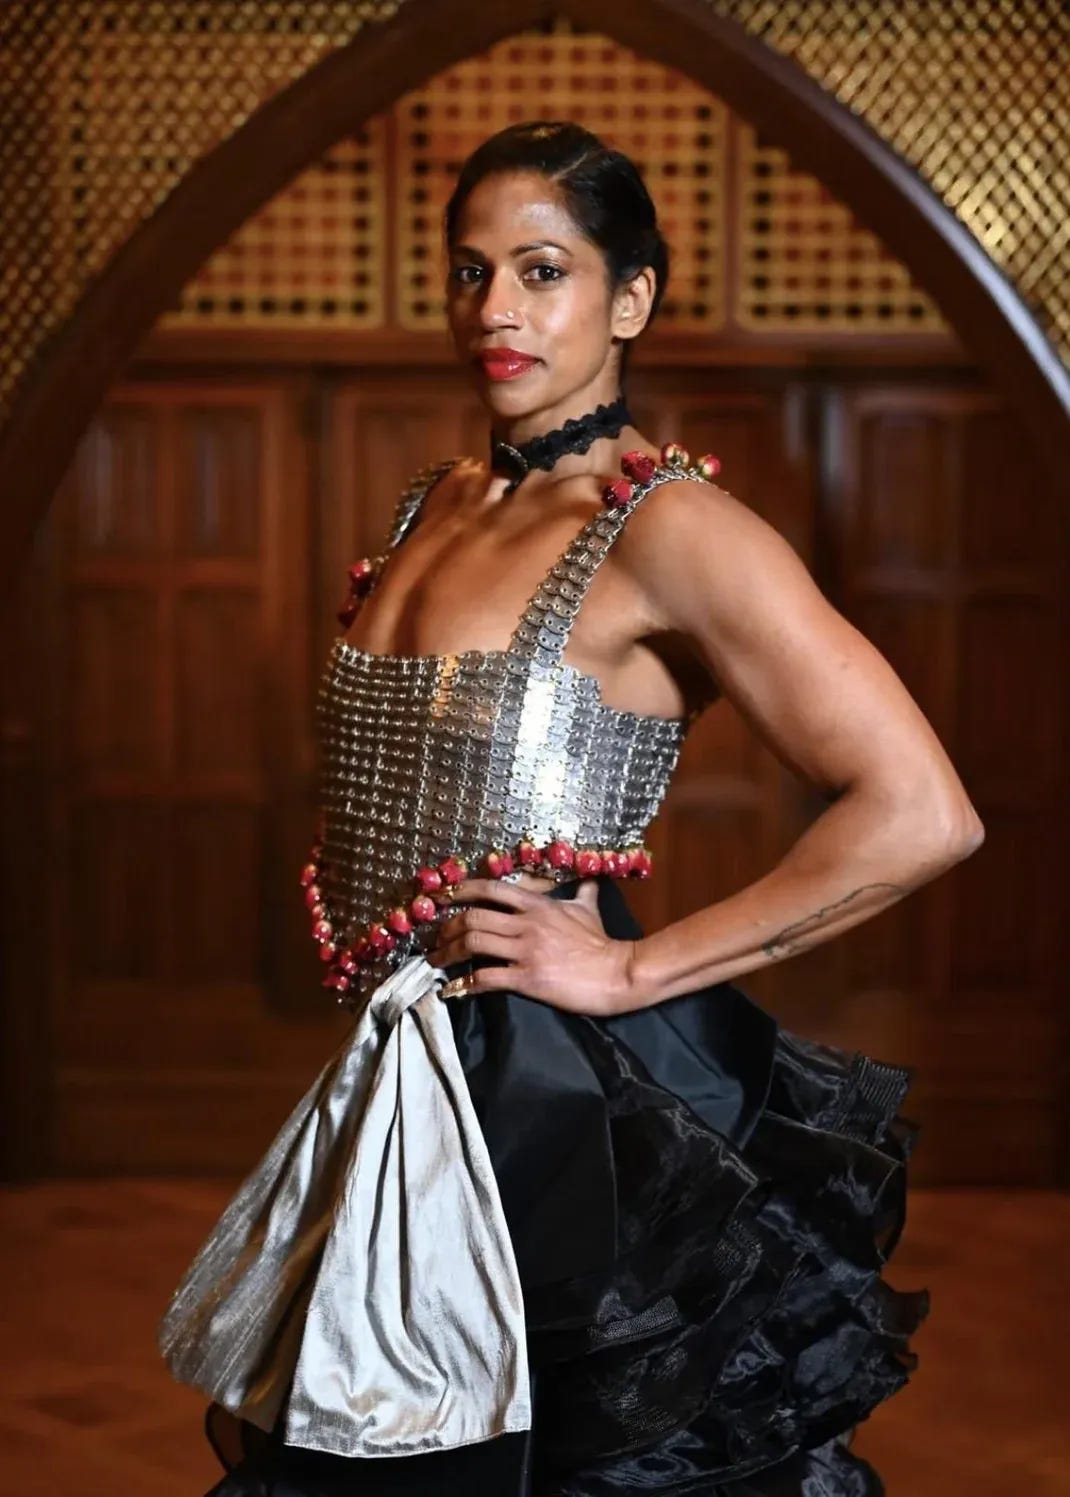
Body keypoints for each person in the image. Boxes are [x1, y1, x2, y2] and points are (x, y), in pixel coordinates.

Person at [158, 120, 983, 1497]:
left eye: (543, 272)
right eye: (470, 270)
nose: (496, 308)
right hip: (414, 1077)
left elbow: (921, 810)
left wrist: (633, 970)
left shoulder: (670, 526)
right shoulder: (434, 501)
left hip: (561, 1093)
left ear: (631, 298)